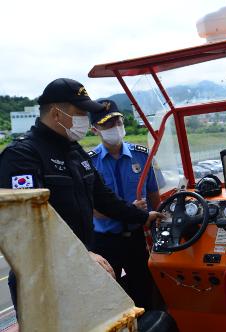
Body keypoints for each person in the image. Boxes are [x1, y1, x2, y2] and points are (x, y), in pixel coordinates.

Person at [0, 78, 164, 312]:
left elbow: (103, 197)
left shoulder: (75, 151)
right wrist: (81, 255)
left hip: (81, 264)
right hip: (43, 277)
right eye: (80, 112)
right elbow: (25, 227)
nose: (85, 121)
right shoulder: (22, 157)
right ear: (56, 114)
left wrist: (142, 217)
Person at [88, 99, 161, 310]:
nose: (115, 128)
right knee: (106, 296)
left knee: (144, 291)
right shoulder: (88, 162)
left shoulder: (142, 155)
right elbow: (89, 207)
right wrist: (129, 212)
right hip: (103, 241)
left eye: (117, 122)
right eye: (107, 125)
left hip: (137, 239)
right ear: (95, 130)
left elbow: (154, 197)